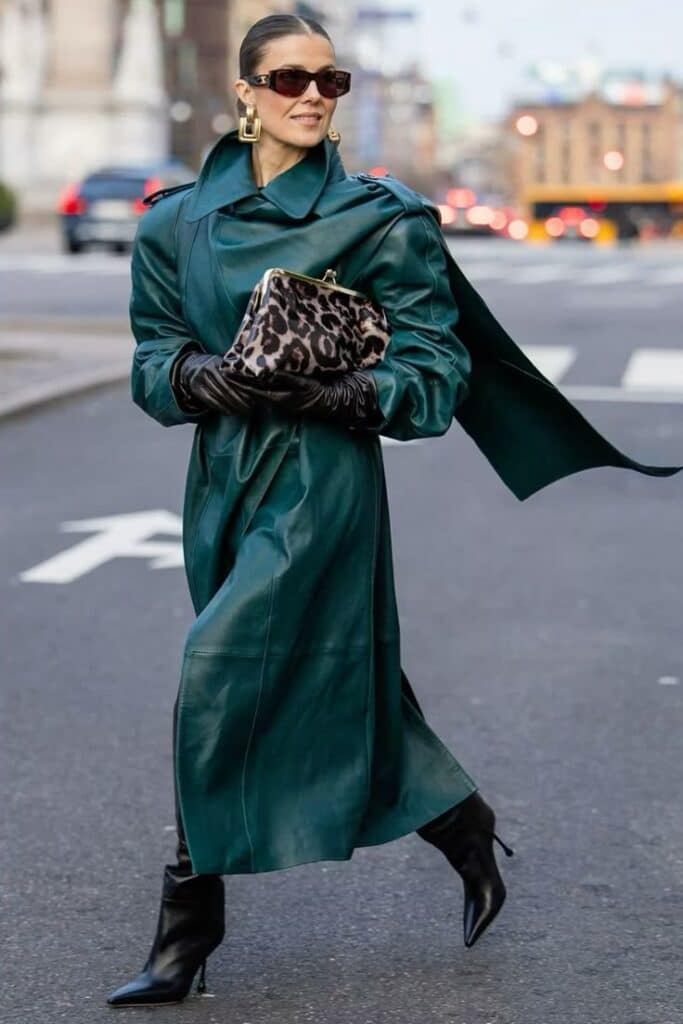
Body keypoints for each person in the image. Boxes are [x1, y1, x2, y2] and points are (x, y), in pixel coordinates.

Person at [106, 14, 680, 1008]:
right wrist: (203, 375)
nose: (312, 96)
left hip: (324, 479)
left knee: (218, 673)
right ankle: (460, 822)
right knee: (337, 677)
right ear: (245, 93)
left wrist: (342, 394)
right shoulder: (171, 222)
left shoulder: (385, 219)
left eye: (333, 81)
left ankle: (186, 929)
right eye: (289, 78)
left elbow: (434, 367)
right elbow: (152, 361)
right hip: (221, 479)